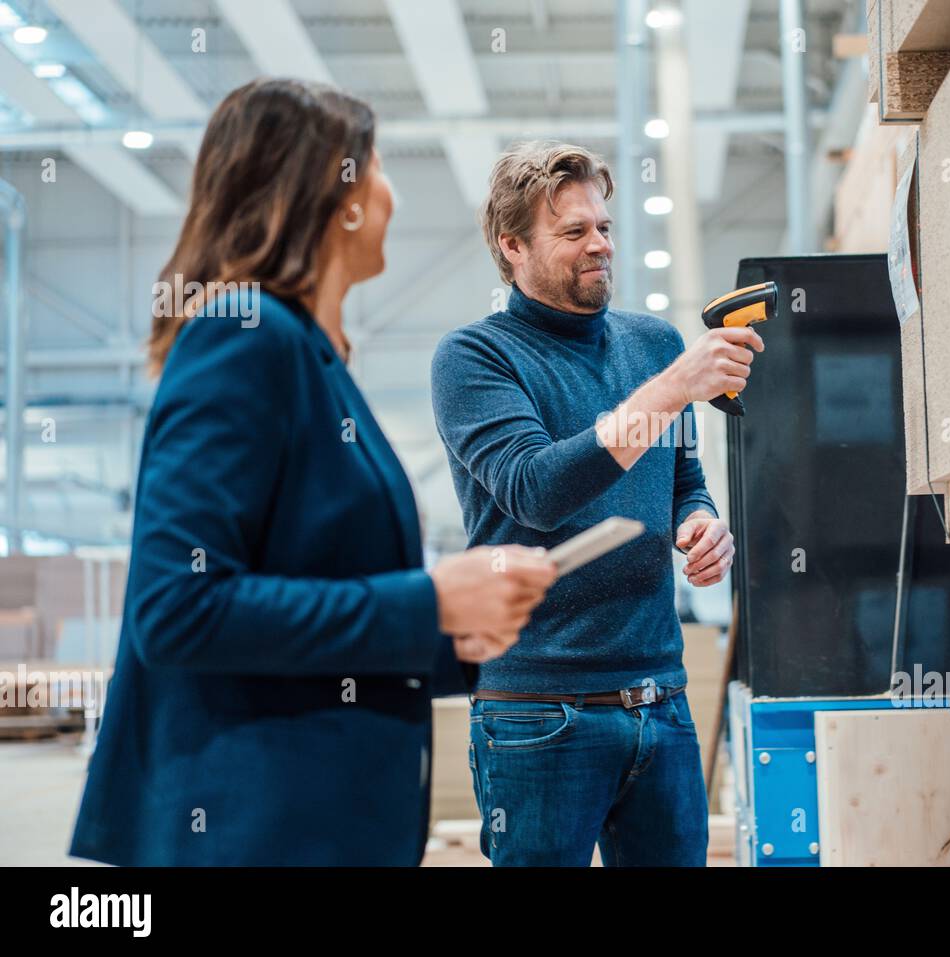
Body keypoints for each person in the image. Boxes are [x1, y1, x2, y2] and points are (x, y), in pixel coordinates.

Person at [69, 79, 556, 867]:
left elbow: (313, 604)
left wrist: (454, 639)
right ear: (335, 194)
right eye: (380, 167)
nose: (393, 193)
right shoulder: (245, 339)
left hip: (317, 824)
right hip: (249, 827)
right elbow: (177, 606)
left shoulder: (311, 357)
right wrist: (427, 598)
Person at [431, 141, 763, 866]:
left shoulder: (653, 345)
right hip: (538, 715)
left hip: (661, 704)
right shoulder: (475, 359)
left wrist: (700, 525)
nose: (600, 245)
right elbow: (537, 488)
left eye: (604, 227)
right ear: (512, 245)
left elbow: (684, 481)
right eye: (574, 232)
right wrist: (673, 387)